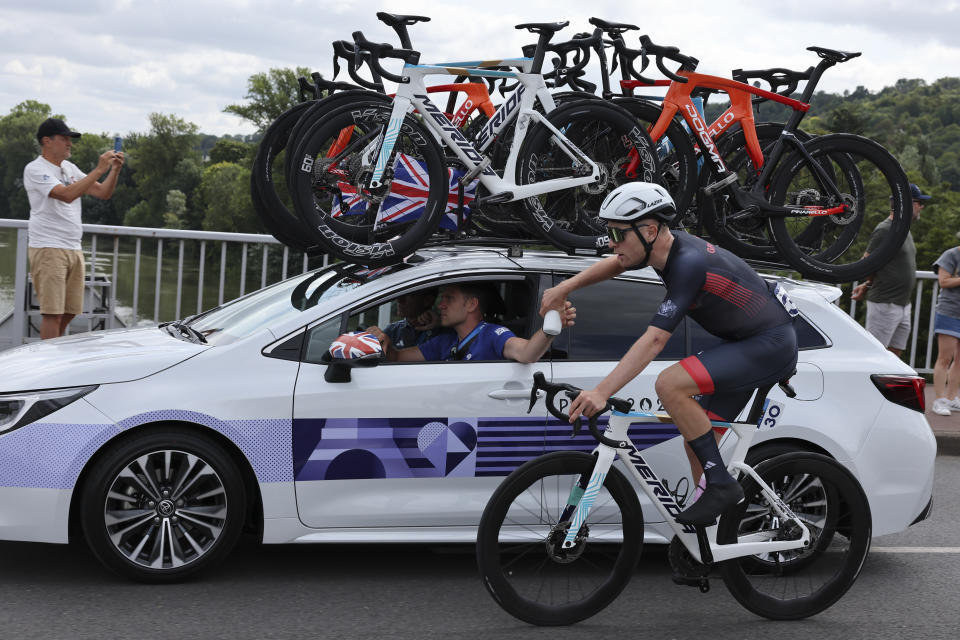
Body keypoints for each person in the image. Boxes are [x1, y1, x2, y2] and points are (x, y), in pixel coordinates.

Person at [539, 182, 799, 526]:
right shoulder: (660, 249)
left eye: (618, 234)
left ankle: (722, 487)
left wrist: (602, 392)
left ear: (649, 230)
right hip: (746, 342)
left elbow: (654, 342)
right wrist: (562, 287)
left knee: (670, 384)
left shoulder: (687, 264)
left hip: (769, 345)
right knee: (696, 440)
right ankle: (708, 542)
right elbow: (618, 263)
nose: (613, 244)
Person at [23, 117, 125, 339]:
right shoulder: (35, 169)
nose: (69, 143)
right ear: (46, 141)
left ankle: (51, 351)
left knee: (70, 311)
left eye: (70, 139)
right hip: (48, 247)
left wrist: (113, 171)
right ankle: (49, 363)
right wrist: (99, 169)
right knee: (53, 314)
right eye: (64, 138)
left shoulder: (68, 167)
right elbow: (66, 195)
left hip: (73, 248)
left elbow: (102, 193)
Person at [368, 282, 575, 363]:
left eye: (449, 298)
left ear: (471, 305)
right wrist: (382, 339)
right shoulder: (445, 341)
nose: (441, 305)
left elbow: (527, 353)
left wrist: (551, 327)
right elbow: (396, 356)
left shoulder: (493, 334)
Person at [850, 183, 931, 357]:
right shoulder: (885, 229)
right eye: (919, 202)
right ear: (908, 204)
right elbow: (867, 262)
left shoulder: (903, 229)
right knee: (875, 354)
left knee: (894, 355)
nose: (921, 207)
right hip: (885, 305)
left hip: (902, 304)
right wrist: (869, 283)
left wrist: (867, 285)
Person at [930, 234, 960, 416]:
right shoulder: (951, 255)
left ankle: (951, 398)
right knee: (945, 358)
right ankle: (939, 400)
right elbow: (944, 281)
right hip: (949, 312)